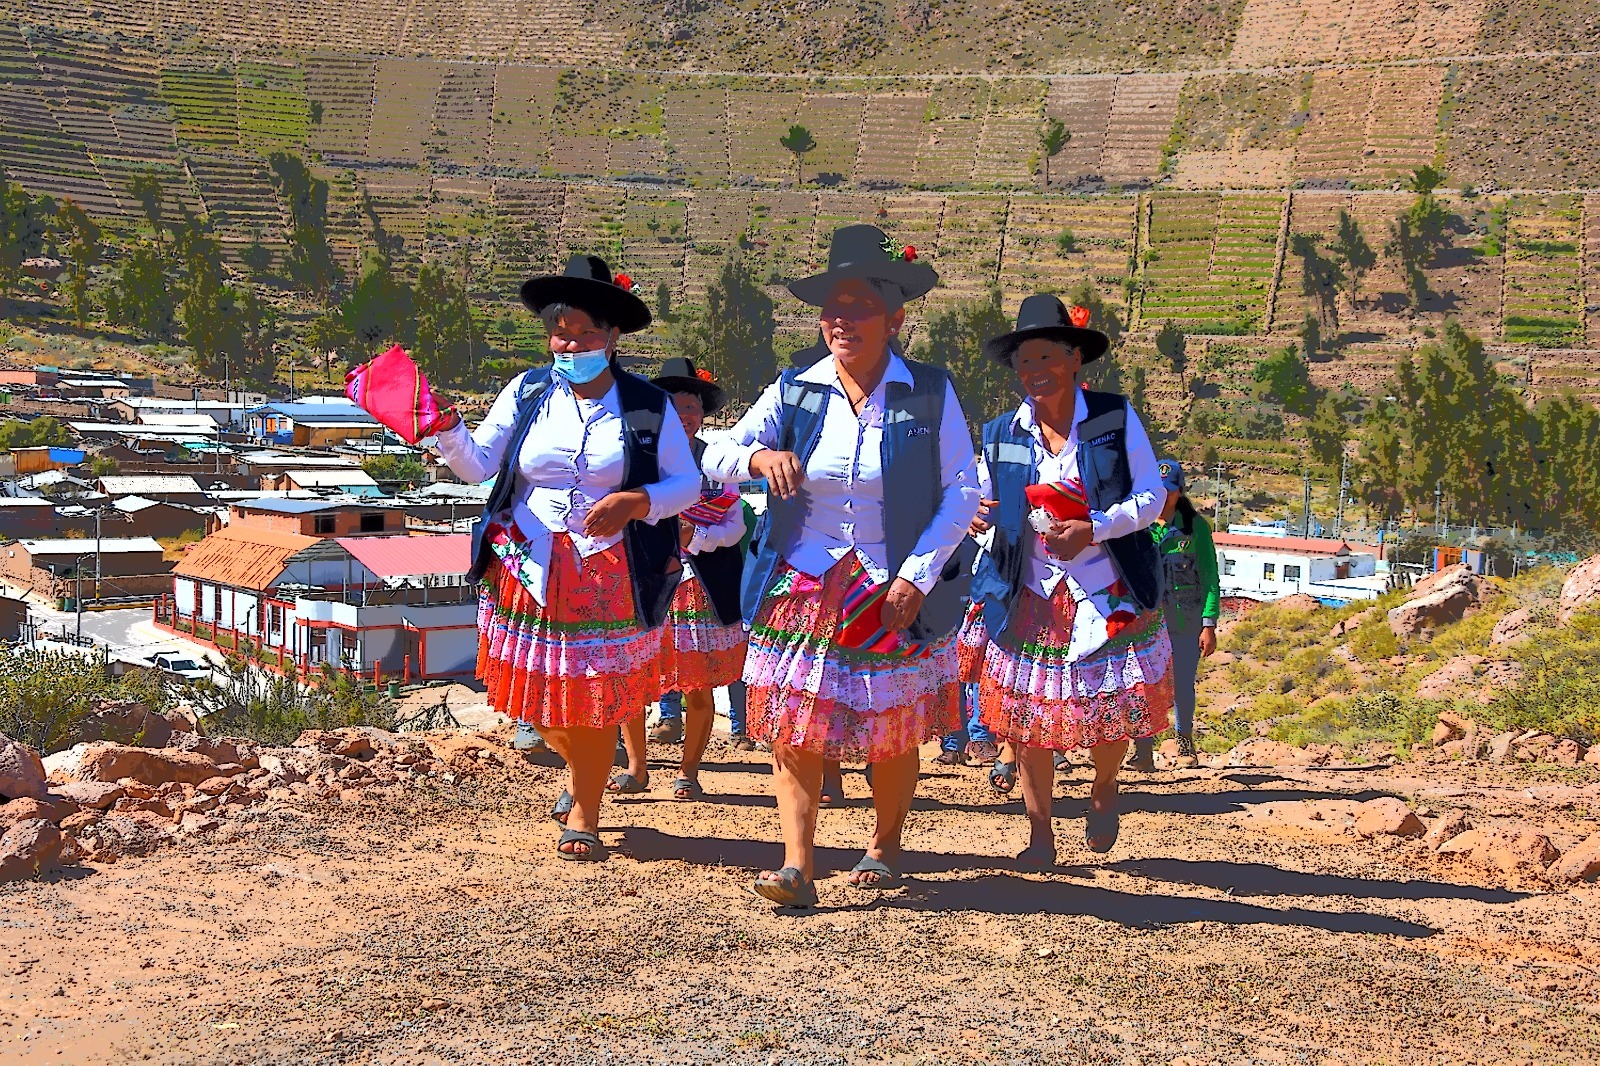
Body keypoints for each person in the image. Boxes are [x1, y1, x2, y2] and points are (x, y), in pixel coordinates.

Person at [702, 224, 980, 907]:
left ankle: (885, 844)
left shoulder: (931, 394)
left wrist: (915, 575)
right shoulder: (796, 389)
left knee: (892, 724)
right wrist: (755, 460)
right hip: (803, 578)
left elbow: (962, 491)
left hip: (887, 583)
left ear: (895, 317)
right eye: (832, 307)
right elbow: (714, 450)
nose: (840, 320)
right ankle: (798, 863)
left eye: (857, 307)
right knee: (795, 721)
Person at [432, 254, 701, 861]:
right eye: (561, 331)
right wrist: (447, 430)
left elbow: (688, 484)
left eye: (584, 333)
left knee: (596, 694)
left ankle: (585, 810)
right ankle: (583, 767)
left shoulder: (646, 406)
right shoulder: (528, 392)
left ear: (611, 337)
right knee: (536, 700)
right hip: (528, 561)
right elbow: (478, 466)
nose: (570, 343)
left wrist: (637, 500)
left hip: (607, 569)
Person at [968, 293, 1174, 867]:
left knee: (1113, 706)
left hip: (1106, 582)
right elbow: (983, 501)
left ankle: (1105, 786)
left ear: (1074, 359)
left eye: (1046, 358)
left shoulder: (1112, 417)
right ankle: (1040, 833)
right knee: (1028, 721)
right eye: (1024, 362)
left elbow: (1151, 496)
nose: (1035, 371)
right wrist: (981, 516)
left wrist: (1097, 526)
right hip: (1030, 589)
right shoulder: (1001, 433)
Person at [613, 357, 749, 800]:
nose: (684, 413)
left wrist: (698, 535)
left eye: (691, 405)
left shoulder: (718, 465)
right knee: (632, 680)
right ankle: (636, 767)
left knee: (699, 686)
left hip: (698, 589)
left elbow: (736, 526)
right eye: (673, 404)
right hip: (646, 584)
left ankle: (689, 772)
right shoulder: (638, 460)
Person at [1128, 459, 1220, 771]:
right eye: (1157, 489)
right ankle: (1143, 751)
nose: (1162, 495)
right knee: (1143, 687)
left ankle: (1184, 744)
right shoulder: (1140, 528)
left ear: (1179, 492)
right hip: (1147, 625)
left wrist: (1209, 624)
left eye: (1168, 490)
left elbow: (1210, 579)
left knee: (1182, 685)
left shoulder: (1195, 529)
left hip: (1185, 621)